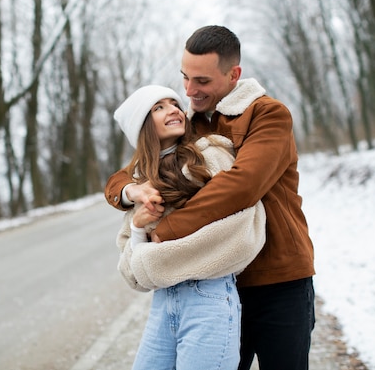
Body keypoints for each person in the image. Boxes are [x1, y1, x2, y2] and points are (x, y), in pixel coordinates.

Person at [105, 25, 316, 370]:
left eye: (201, 81)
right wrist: (128, 191)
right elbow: (139, 165)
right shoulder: (190, 122)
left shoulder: (267, 114)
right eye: (185, 78)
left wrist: (168, 229)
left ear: (233, 75)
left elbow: (242, 185)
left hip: (277, 276)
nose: (189, 90)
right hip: (218, 278)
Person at [112, 84, 266, 370]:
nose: (173, 109)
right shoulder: (142, 181)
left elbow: (242, 229)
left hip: (208, 298)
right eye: (159, 107)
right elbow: (132, 272)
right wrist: (137, 228)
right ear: (142, 126)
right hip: (162, 303)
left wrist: (153, 257)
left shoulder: (210, 155)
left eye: (174, 103)